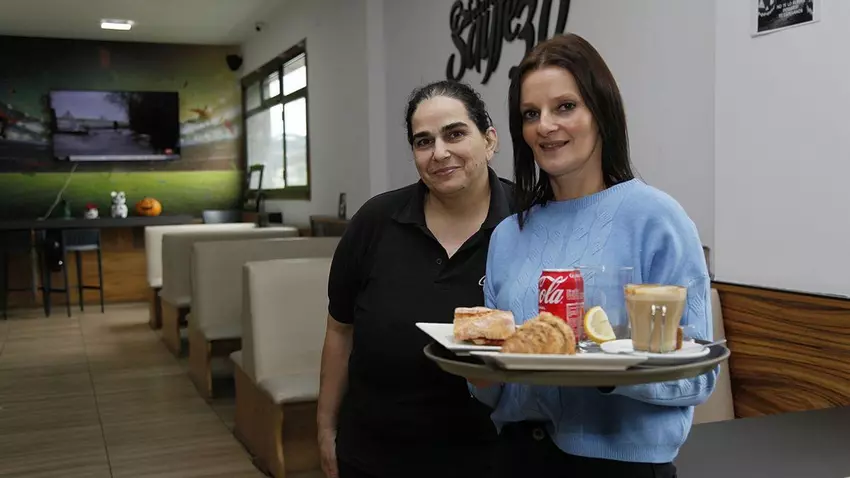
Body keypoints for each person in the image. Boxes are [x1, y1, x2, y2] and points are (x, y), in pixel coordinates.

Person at [469, 33, 717, 478]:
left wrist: (607, 372)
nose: (545, 126)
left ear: (601, 112)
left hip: (618, 468)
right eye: (531, 113)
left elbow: (698, 376)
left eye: (565, 106)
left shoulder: (657, 219)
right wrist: (480, 375)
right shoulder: (508, 234)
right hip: (515, 459)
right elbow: (496, 385)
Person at [317, 80, 514, 478]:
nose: (439, 153)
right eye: (423, 142)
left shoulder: (529, 220)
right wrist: (324, 429)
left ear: (489, 140)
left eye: (455, 134)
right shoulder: (375, 221)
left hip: (494, 456)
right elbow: (339, 330)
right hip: (375, 454)